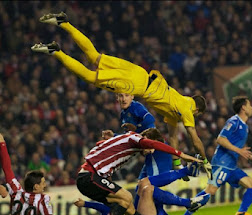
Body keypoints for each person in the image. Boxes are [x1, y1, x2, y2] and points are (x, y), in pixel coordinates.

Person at [31, 12, 212, 179]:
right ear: (197, 111)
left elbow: (173, 138)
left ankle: (64, 23)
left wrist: (177, 165)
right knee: (89, 76)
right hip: (137, 85)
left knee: (95, 57)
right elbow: (195, 141)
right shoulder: (187, 110)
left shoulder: (176, 106)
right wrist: (205, 161)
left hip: (140, 72)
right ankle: (56, 51)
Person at [73, 127, 202, 215]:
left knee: (128, 207)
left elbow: (105, 144)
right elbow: (151, 144)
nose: (152, 150)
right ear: (145, 138)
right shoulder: (134, 138)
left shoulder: (129, 142)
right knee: (129, 195)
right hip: (89, 176)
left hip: (92, 177)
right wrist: (181, 155)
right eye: (149, 144)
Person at [66, 163, 208, 215]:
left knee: (142, 183)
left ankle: (185, 202)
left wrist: (85, 204)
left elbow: (105, 209)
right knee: (148, 190)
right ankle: (188, 203)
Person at [177, 96, 252, 215]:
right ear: (243, 108)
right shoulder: (233, 121)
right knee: (209, 192)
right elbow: (220, 139)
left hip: (232, 166)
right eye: (249, 105)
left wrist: (249, 158)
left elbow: (237, 146)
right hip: (222, 164)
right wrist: (239, 151)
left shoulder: (245, 126)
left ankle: (241, 213)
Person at [0, 133, 89, 215]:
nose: (45, 185)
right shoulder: (42, 200)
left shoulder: (15, 192)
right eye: (43, 183)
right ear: (36, 187)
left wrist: (2, 144)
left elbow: (7, 168)